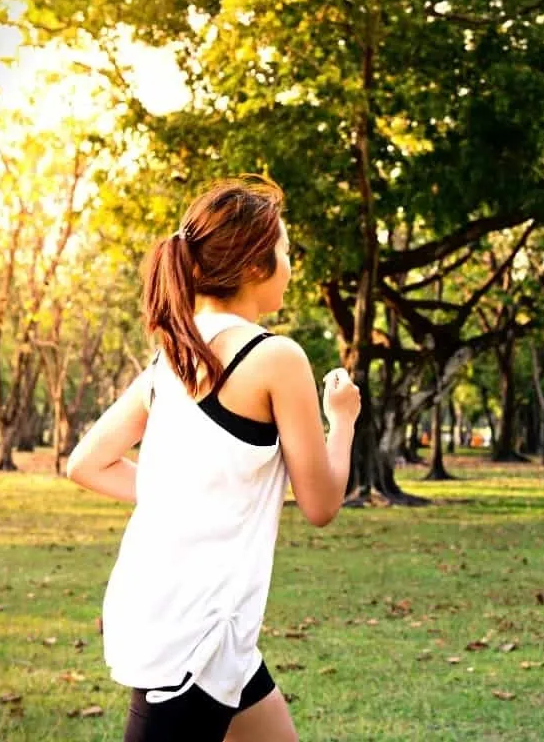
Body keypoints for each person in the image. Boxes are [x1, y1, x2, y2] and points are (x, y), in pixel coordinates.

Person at [65, 175, 360, 742]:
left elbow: (87, 464)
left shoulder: (171, 357)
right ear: (255, 265)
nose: (290, 265)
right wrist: (342, 420)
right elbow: (321, 503)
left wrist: (188, 493)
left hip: (200, 627)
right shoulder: (276, 357)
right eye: (286, 252)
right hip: (194, 640)